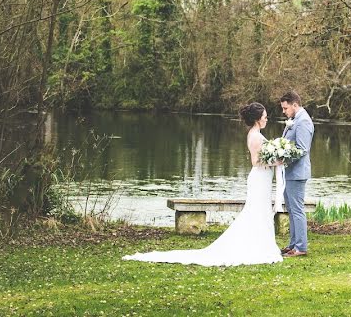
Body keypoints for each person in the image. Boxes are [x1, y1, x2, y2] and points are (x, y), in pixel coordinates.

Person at [122, 102, 283, 266]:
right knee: (256, 210)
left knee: (260, 210)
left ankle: (259, 243)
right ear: (257, 119)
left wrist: (275, 159)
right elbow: (255, 161)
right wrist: (277, 161)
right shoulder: (255, 136)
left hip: (263, 179)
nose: (266, 119)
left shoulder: (255, 133)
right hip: (259, 179)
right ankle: (258, 246)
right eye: (264, 117)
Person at [278, 91, 313, 257]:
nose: (284, 111)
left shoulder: (303, 121)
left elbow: (302, 149)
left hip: (297, 173)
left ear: (294, 105)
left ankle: (300, 247)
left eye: (285, 108)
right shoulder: (295, 120)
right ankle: (293, 244)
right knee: (291, 210)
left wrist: (284, 159)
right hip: (290, 173)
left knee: (297, 210)